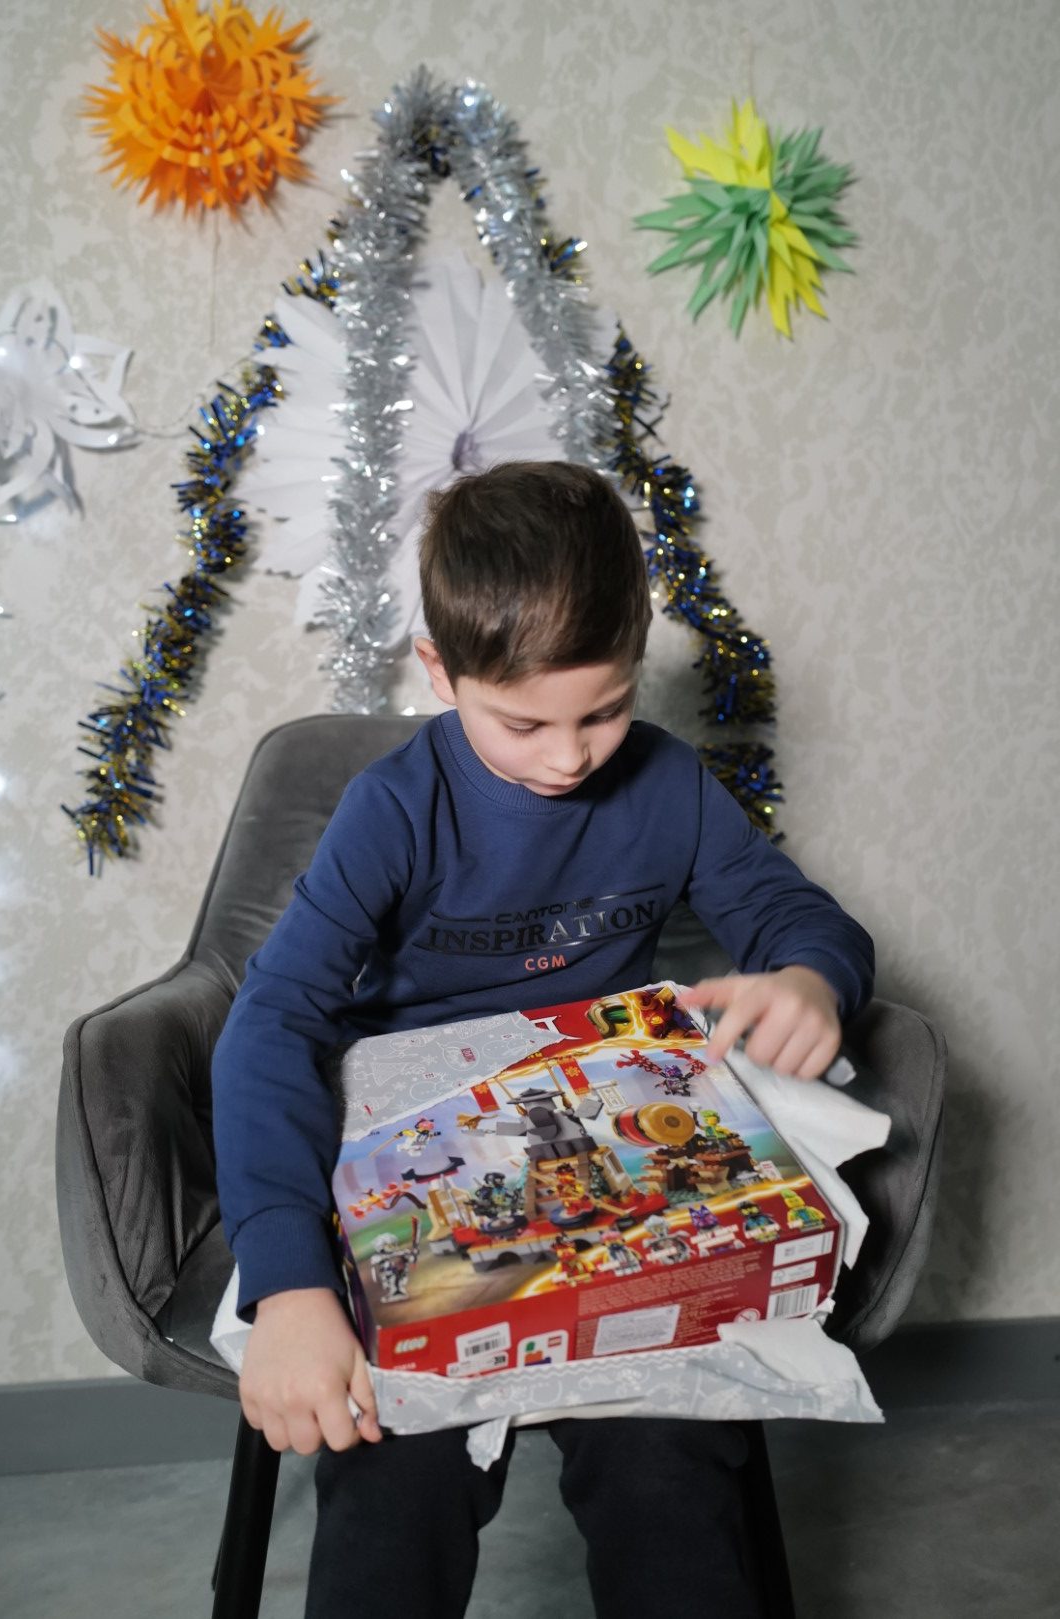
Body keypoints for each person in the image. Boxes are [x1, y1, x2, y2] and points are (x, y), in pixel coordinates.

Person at [211, 460, 874, 1618]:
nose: (569, 757)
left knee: (668, 1458)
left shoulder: (670, 785)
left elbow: (797, 916)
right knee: (392, 1469)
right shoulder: (393, 808)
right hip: (411, 1151)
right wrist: (289, 1286)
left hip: (605, 1140)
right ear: (440, 672)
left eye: (604, 710)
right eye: (522, 722)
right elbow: (272, 1019)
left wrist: (811, 980)